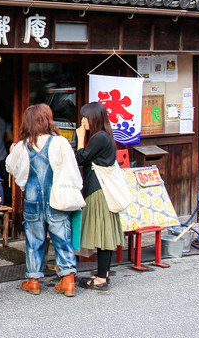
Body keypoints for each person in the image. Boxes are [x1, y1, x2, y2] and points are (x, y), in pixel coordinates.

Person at [5, 103, 79, 297]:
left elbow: (10, 166)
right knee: (63, 239)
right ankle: (68, 280)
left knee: (34, 240)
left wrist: (14, 152)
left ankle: (33, 280)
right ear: (47, 119)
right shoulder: (60, 142)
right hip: (57, 200)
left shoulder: (23, 145)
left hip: (32, 201)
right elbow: (72, 170)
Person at [75, 102, 124, 291]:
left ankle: (101, 278)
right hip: (103, 191)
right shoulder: (104, 136)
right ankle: (104, 272)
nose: (82, 121)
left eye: (84, 118)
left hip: (99, 192)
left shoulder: (99, 137)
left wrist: (80, 139)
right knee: (105, 234)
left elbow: (81, 158)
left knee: (103, 235)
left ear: (93, 119)